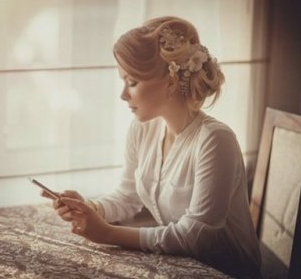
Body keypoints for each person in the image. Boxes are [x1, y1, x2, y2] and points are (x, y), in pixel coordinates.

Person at [41, 16, 261, 278]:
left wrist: (108, 233)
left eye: (132, 82)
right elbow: (126, 198)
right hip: (178, 267)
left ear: (170, 82)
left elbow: (196, 237)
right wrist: (90, 208)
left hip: (225, 272)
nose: (123, 94)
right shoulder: (143, 129)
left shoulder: (215, 141)